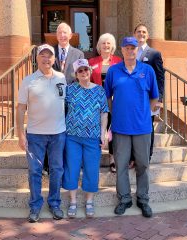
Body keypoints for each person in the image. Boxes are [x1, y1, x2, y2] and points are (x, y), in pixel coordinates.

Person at [105, 37, 159, 218]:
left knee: (143, 164)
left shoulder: (148, 70)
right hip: (120, 128)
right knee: (121, 165)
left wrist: (144, 113)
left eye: (133, 48)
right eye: (127, 48)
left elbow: (154, 97)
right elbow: (108, 98)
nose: (130, 51)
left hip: (143, 128)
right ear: (121, 50)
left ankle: (143, 199)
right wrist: (117, 114)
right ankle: (124, 199)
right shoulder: (113, 71)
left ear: (137, 50)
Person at [16, 44, 66, 223]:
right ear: (37, 59)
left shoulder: (61, 78)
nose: (46, 59)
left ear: (54, 59)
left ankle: (54, 204)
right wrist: (21, 134)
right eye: (42, 55)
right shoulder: (28, 81)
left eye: (49, 56)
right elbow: (21, 109)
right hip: (35, 134)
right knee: (35, 171)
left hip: (58, 133)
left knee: (57, 170)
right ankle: (35, 206)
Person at [62, 59, 108, 218]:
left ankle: (89, 201)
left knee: (91, 169)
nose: (84, 73)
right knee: (72, 168)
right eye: (80, 71)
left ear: (90, 71)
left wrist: (103, 133)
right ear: (76, 74)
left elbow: (104, 112)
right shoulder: (70, 90)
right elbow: (62, 109)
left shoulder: (99, 90)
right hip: (72, 137)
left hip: (92, 138)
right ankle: (73, 201)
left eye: (86, 70)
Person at [43, 22, 84, 174]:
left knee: (69, 133)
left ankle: (69, 163)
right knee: (51, 132)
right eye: (59, 32)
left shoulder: (78, 54)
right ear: (56, 35)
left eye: (65, 32)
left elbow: (80, 77)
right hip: (52, 100)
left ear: (71, 36)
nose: (62, 35)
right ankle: (48, 164)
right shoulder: (49, 52)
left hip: (71, 99)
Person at [129, 23, 165, 167]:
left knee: (147, 127)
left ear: (147, 35)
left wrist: (159, 98)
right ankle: (133, 157)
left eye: (144, 32)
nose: (141, 34)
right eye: (138, 32)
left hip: (149, 99)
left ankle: (146, 157)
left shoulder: (154, 54)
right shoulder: (129, 52)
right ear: (134, 34)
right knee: (132, 127)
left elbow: (160, 77)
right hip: (131, 99)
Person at [89, 33, 122, 173]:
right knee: (97, 129)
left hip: (114, 101)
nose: (106, 46)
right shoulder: (91, 62)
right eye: (103, 43)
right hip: (96, 101)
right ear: (99, 46)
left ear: (112, 46)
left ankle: (112, 159)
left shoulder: (119, 61)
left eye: (108, 43)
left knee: (112, 129)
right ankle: (94, 158)